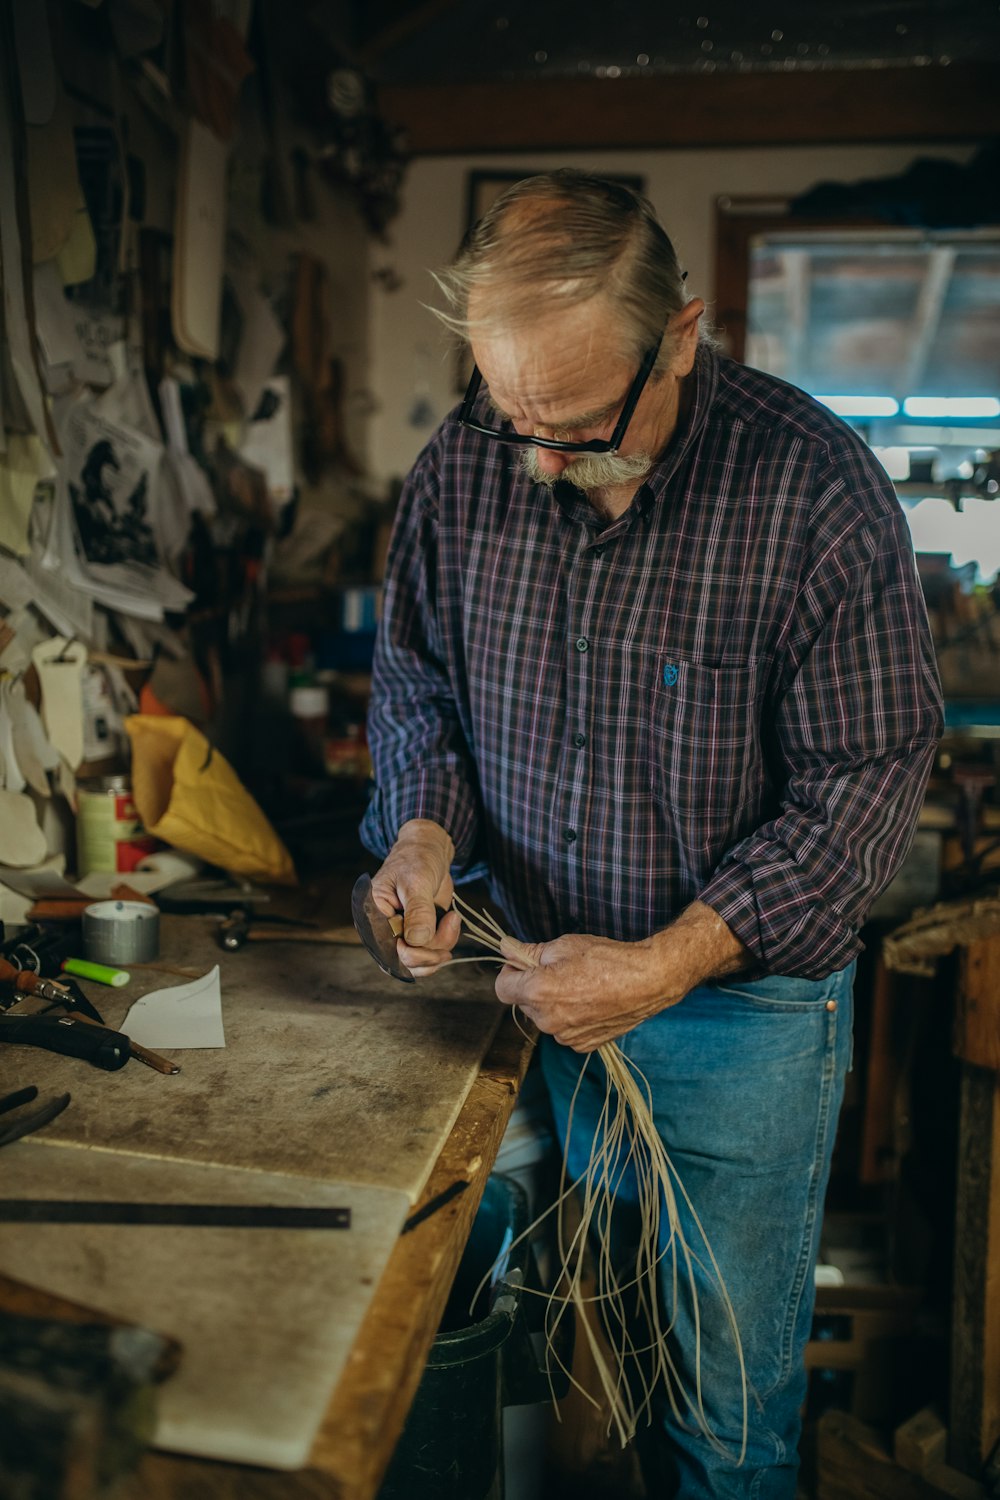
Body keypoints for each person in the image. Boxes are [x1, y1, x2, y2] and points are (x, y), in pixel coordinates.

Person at [360, 170, 942, 1497]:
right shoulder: (466, 465)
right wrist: (421, 839)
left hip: (735, 1019)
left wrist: (673, 960)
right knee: (545, 1360)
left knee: (722, 1412)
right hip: (509, 993)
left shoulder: (814, 490)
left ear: (680, 337)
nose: (542, 463)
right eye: (519, 422)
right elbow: (416, 688)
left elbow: (865, 778)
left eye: (570, 425)